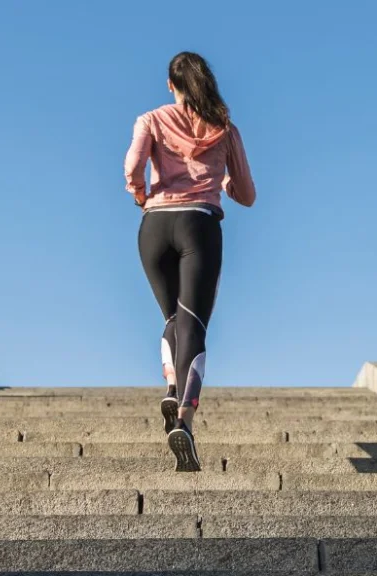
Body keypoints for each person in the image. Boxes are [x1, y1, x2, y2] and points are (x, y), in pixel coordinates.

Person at [124, 51, 256, 472]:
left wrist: (143, 196)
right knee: (192, 322)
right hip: (199, 225)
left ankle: (169, 384)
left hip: (153, 228)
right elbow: (247, 195)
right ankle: (184, 418)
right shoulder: (225, 128)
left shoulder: (150, 119)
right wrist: (224, 179)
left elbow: (132, 168)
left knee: (170, 318)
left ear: (170, 84)